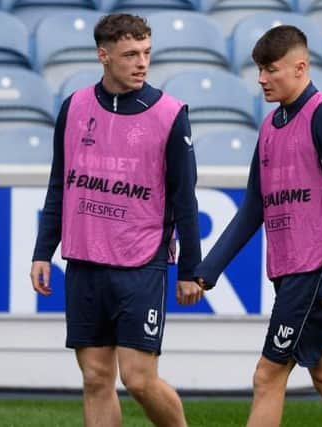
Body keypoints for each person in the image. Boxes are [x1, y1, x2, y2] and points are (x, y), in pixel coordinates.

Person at [194, 25, 322, 427]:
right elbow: (253, 207)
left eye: (270, 69)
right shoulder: (270, 127)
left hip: (314, 273)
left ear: (300, 67)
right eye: (259, 69)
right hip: (290, 272)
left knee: (267, 375)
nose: (261, 79)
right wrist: (210, 269)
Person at [29, 14, 203, 427]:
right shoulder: (73, 108)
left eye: (146, 53)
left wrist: (191, 270)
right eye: (130, 54)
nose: (141, 62)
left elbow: (185, 198)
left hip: (141, 263)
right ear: (103, 55)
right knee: (95, 378)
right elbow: (60, 185)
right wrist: (42, 251)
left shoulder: (170, 114)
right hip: (84, 262)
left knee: (140, 380)